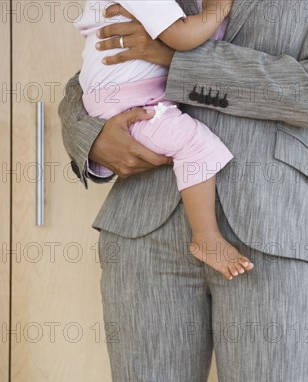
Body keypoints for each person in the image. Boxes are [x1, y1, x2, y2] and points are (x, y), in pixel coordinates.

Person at [59, 0, 308, 382]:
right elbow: (104, 54)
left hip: (273, 228)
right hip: (143, 228)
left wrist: (182, 61)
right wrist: (87, 137)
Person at [75, 0, 253, 280]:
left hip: (124, 97)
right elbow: (182, 37)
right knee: (196, 146)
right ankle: (206, 237)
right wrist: (217, 10)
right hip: (133, 104)